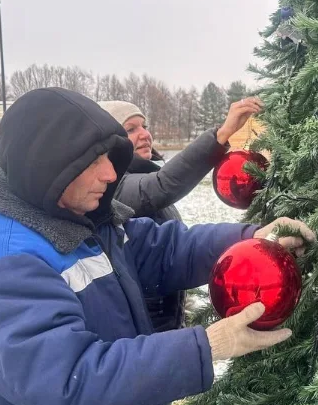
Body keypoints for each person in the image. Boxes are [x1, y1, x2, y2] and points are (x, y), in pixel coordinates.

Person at [0, 88, 314, 405]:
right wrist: (206, 346)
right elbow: (71, 380)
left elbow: (165, 250)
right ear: (47, 167)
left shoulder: (83, 220)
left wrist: (253, 238)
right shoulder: (4, 267)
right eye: (93, 160)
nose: (111, 173)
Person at [98, 96, 263, 333]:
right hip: (143, 332)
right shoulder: (113, 187)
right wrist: (222, 135)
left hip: (169, 320)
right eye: (131, 129)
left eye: (144, 126)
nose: (144, 134)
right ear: (110, 143)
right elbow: (162, 185)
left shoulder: (145, 176)